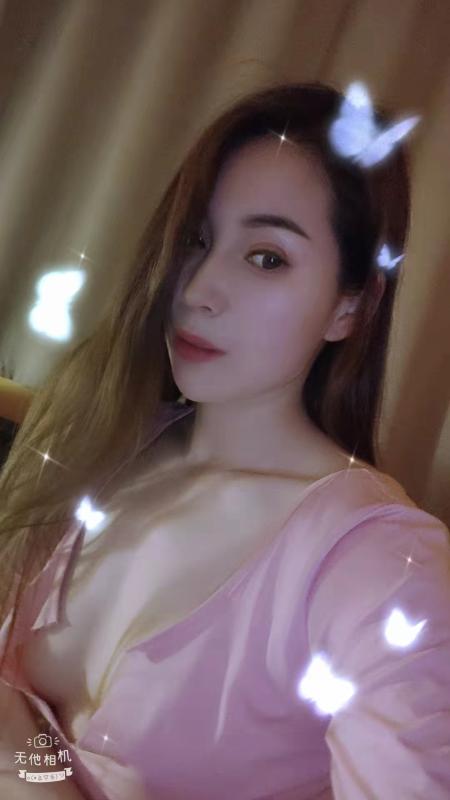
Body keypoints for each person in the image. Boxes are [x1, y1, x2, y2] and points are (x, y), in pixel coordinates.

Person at [0, 80, 449, 799]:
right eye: (198, 240)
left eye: (267, 257)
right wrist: (36, 761)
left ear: (352, 305)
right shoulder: (104, 442)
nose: (197, 289)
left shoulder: (378, 563)